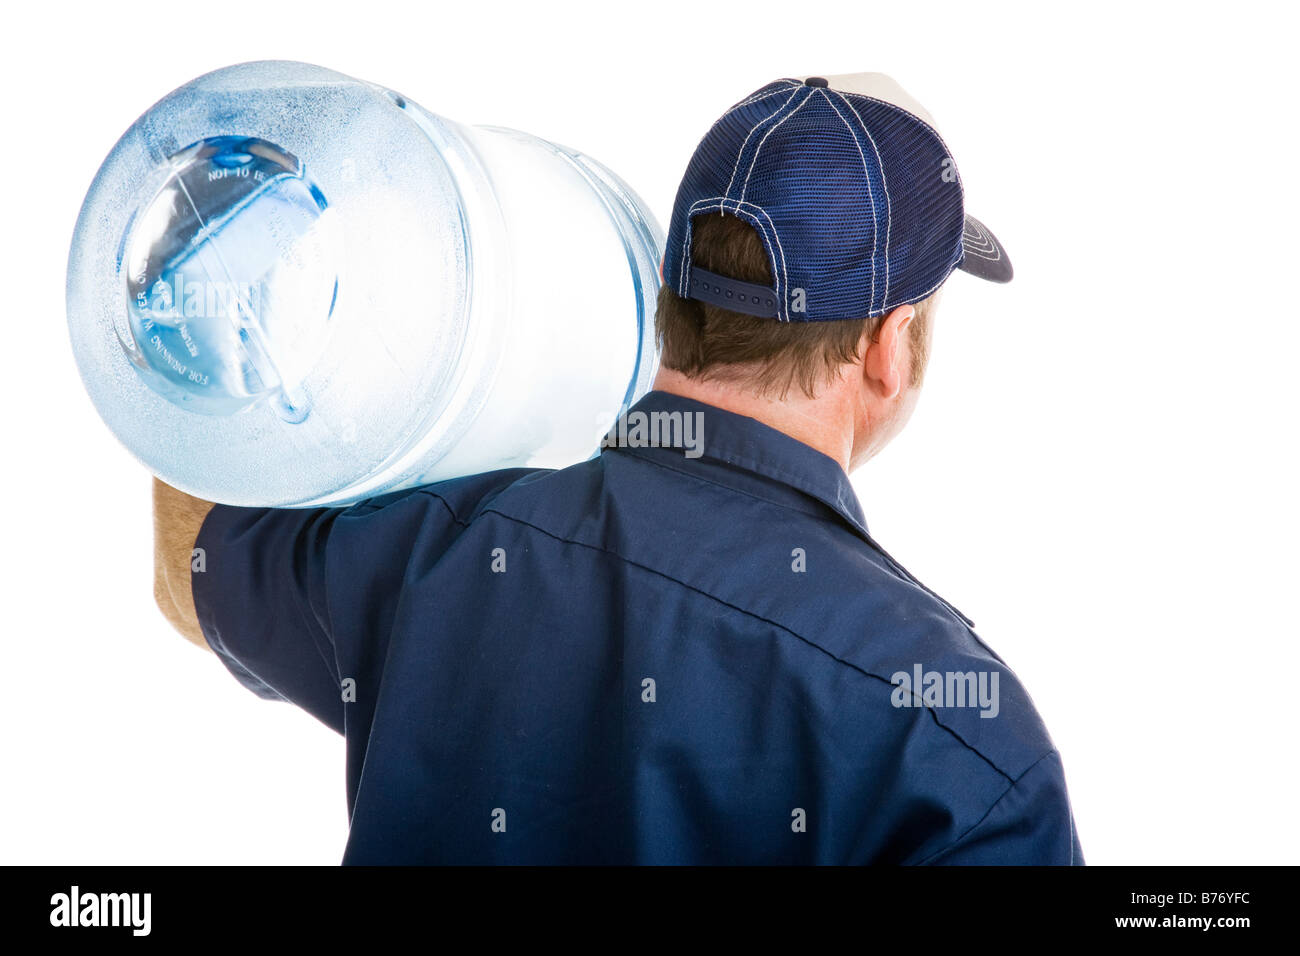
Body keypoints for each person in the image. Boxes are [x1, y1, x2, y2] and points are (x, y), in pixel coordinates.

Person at [154, 72, 1083, 864]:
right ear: (890, 344)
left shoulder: (435, 553)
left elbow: (191, 552)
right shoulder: (956, 740)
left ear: (673, 294)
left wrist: (194, 270)